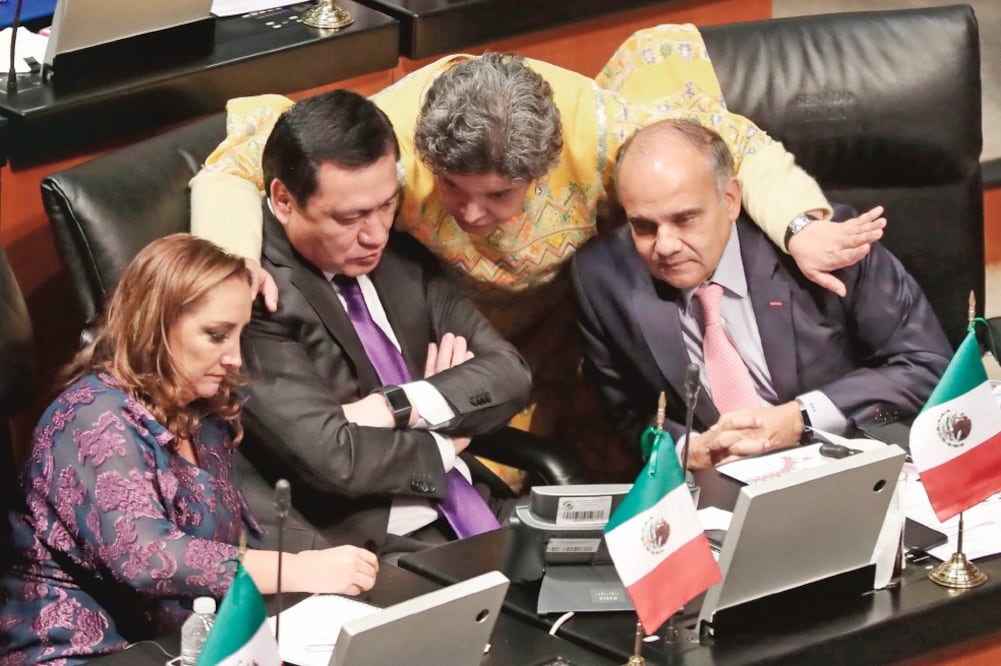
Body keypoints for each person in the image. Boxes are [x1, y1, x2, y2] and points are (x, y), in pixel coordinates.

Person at [189, 26, 884, 476]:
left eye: (496, 195)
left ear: (543, 169)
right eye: (452, 189)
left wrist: (801, 223)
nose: (470, 212)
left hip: (569, 327)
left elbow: (735, 150)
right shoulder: (392, 129)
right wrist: (230, 263)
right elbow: (235, 165)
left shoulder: (603, 125)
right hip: (451, 324)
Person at [0, 235, 378, 663]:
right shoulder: (91, 418)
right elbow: (147, 557)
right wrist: (299, 569)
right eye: (216, 335)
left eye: (239, 335)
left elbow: (231, 540)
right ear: (155, 326)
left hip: (179, 645)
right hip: (83, 653)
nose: (235, 356)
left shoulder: (205, 416)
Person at [238, 89, 531, 555]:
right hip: (373, 542)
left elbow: (509, 374)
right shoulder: (252, 295)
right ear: (285, 199)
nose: (375, 234)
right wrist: (442, 441)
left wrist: (403, 406)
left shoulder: (400, 255)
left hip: (477, 504)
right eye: (350, 217)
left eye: (385, 205)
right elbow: (334, 458)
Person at [570, 119, 952, 470]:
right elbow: (625, 414)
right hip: (719, 494)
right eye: (644, 227)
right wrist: (684, 448)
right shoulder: (603, 280)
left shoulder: (828, 246)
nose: (665, 245)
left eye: (685, 219)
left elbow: (926, 366)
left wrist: (801, 417)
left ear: (730, 199)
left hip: (846, 463)